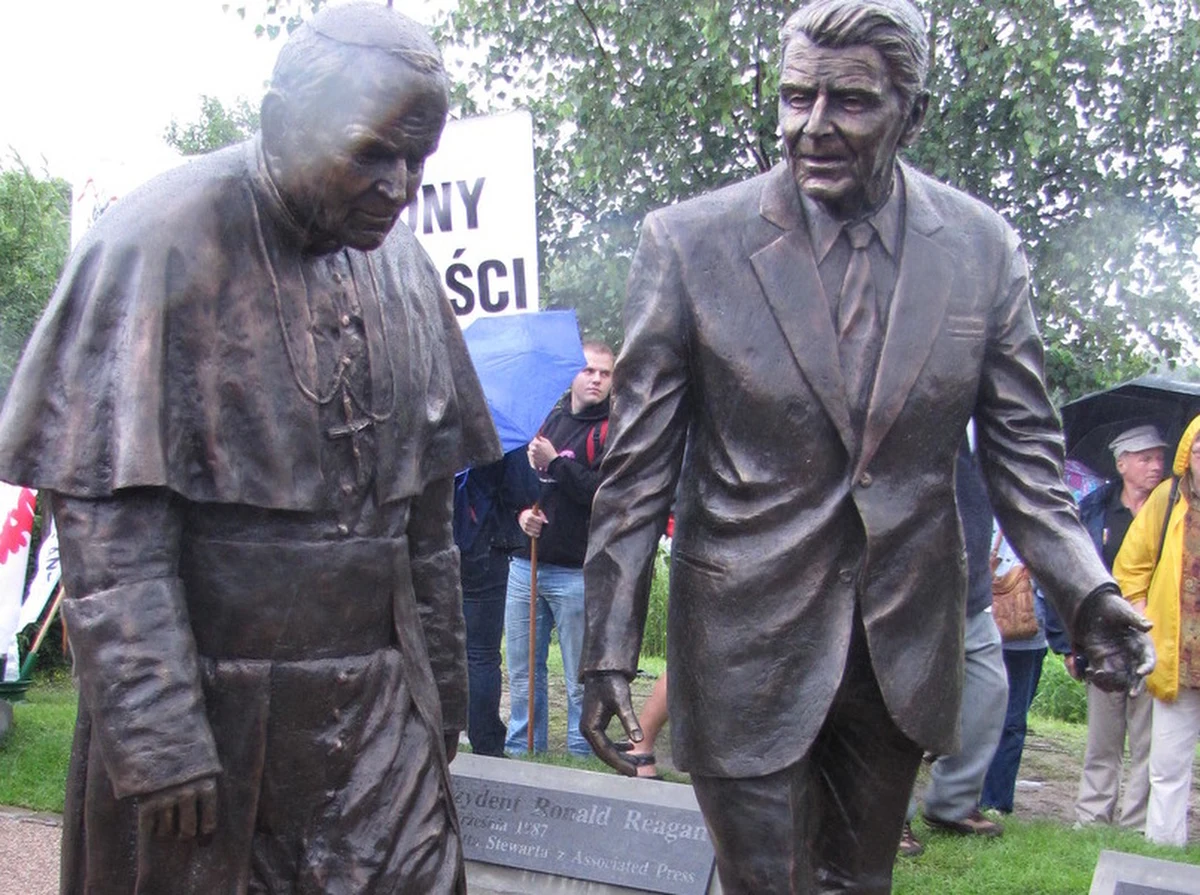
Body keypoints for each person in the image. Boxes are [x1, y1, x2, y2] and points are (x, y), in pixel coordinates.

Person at [578, 1, 1154, 891]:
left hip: (898, 640)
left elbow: (1028, 459)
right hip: (742, 632)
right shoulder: (689, 243)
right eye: (795, 97)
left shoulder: (981, 250)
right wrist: (608, 643)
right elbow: (638, 467)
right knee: (763, 881)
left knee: (860, 884)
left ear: (911, 114)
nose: (812, 126)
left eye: (847, 102)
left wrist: (1088, 590)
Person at [0, 5, 501, 893]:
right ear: (281, 124)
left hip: (383, 711)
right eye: (372, 153)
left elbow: (426, 522)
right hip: (218, 714)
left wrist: (443, 701)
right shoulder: (154, 242)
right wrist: (159, 736)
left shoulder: (404, 265)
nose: (399, 187)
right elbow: (112, 532)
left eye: (416, 162)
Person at [505, 341, 613, 756]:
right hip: (524, 566)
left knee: (577, 679)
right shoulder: (546, 420)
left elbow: (604, 493)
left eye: (605, 373)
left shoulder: (612, 429)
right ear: (572, 373)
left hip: (576, 570)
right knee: (522, 674)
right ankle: (522, 752)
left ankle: (581, 756)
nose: (596, 379)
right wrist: (521, 516)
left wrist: (555, 463)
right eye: (588, 371)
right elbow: (519, 490)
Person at [903, 438, 1007, 856]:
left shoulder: (984, 429)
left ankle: (952, 804)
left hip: (971, 592)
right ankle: (890, 818)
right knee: (901, 706)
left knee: (989, 692)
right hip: (908, 590)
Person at [1073, 425, 1164, 828]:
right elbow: (1069, 577)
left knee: (1148, 741)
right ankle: (1092, 817)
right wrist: (1067, 644)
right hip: (1104, 641)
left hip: (1153, 635)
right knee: (1102, 740)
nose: (1155, 466)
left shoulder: (1174, 511)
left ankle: (1135, 822)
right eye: (1145, 458)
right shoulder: (1093, 508)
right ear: (1121, 462)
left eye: (1160, 458)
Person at [1115, 414, 1200, 846]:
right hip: (1174, 659)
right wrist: (1143, 618)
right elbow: (1130, 567)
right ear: (1189, 455)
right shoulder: (1166, 500)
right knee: (1167, 764)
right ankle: (1164, 851)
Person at [453, 449, 531, 757]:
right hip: (483, 548)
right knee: (481, 655)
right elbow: (523, 491)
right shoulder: (498, 430)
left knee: (431, 645)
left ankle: (433, 729)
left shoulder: (429, 413)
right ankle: (485, 741)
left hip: (433, 545)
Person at [979, 539, 1050, 815]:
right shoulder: (972, 504)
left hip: (1028, 634)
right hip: (976, 630)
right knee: (970, 717)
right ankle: (961, 797)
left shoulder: (1039, 511)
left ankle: (996, 801)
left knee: (1012, 722)